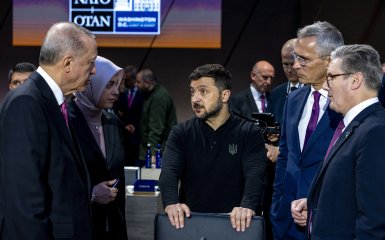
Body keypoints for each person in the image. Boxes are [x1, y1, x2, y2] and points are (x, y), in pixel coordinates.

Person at [0, 21, 97, 239]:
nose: (94, 70)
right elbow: (24, 199)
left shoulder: (52, 102)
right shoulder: (26, 103)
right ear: (68, 63)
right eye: (90, 62)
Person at [291, 44, 385, 239]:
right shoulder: (355, 125)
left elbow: (373, 219)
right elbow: (349, 192)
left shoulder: (376, 131)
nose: (325, 86)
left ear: (355, 80)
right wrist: (317, 204)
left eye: (331, 77)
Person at [159, 64, 267, 232]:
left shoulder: (249, 132)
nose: (195, 99)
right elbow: (169, 172)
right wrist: (171, 203)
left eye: (203, 91)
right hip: (190, 224)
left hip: (236, 225)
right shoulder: (181, 132)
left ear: (224, 95)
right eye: (192, 92)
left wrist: (247, 205)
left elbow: (255, 173)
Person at [270, 21, 344, 240]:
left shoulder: (347, 105)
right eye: (295, 57)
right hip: (286, 221)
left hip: (327, 222)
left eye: (304, 59)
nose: (295, 66)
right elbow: (285, 156)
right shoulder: (293, 99)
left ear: (330, 61)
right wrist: (277, 205)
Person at [68, 56, 128, 240]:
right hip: (78, 227)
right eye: (109, 85)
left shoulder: (113, 122)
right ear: (90, 83)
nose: (116, 92)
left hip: (113, 227)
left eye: (117, 85)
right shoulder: (65, 122)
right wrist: (91, 194)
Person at [135, 68, 177, 166]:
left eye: (138, 82)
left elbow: (156, 128)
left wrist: (153, 153)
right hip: (150, 149)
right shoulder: (150, 95)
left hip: (156, 152)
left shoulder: (158, 97)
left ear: (147, 82)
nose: (136, 85)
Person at [268, 38, 303, 127]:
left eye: (292, 64)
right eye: (285, 64)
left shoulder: (312, 91)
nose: (289, 70)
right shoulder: (276, 93)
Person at [114, 65, 144, 166]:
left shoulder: (142, 93)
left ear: (134, 79)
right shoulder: (121, 93)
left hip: (138, 134)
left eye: (128, 80)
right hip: (124, 134)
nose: (126, 82)